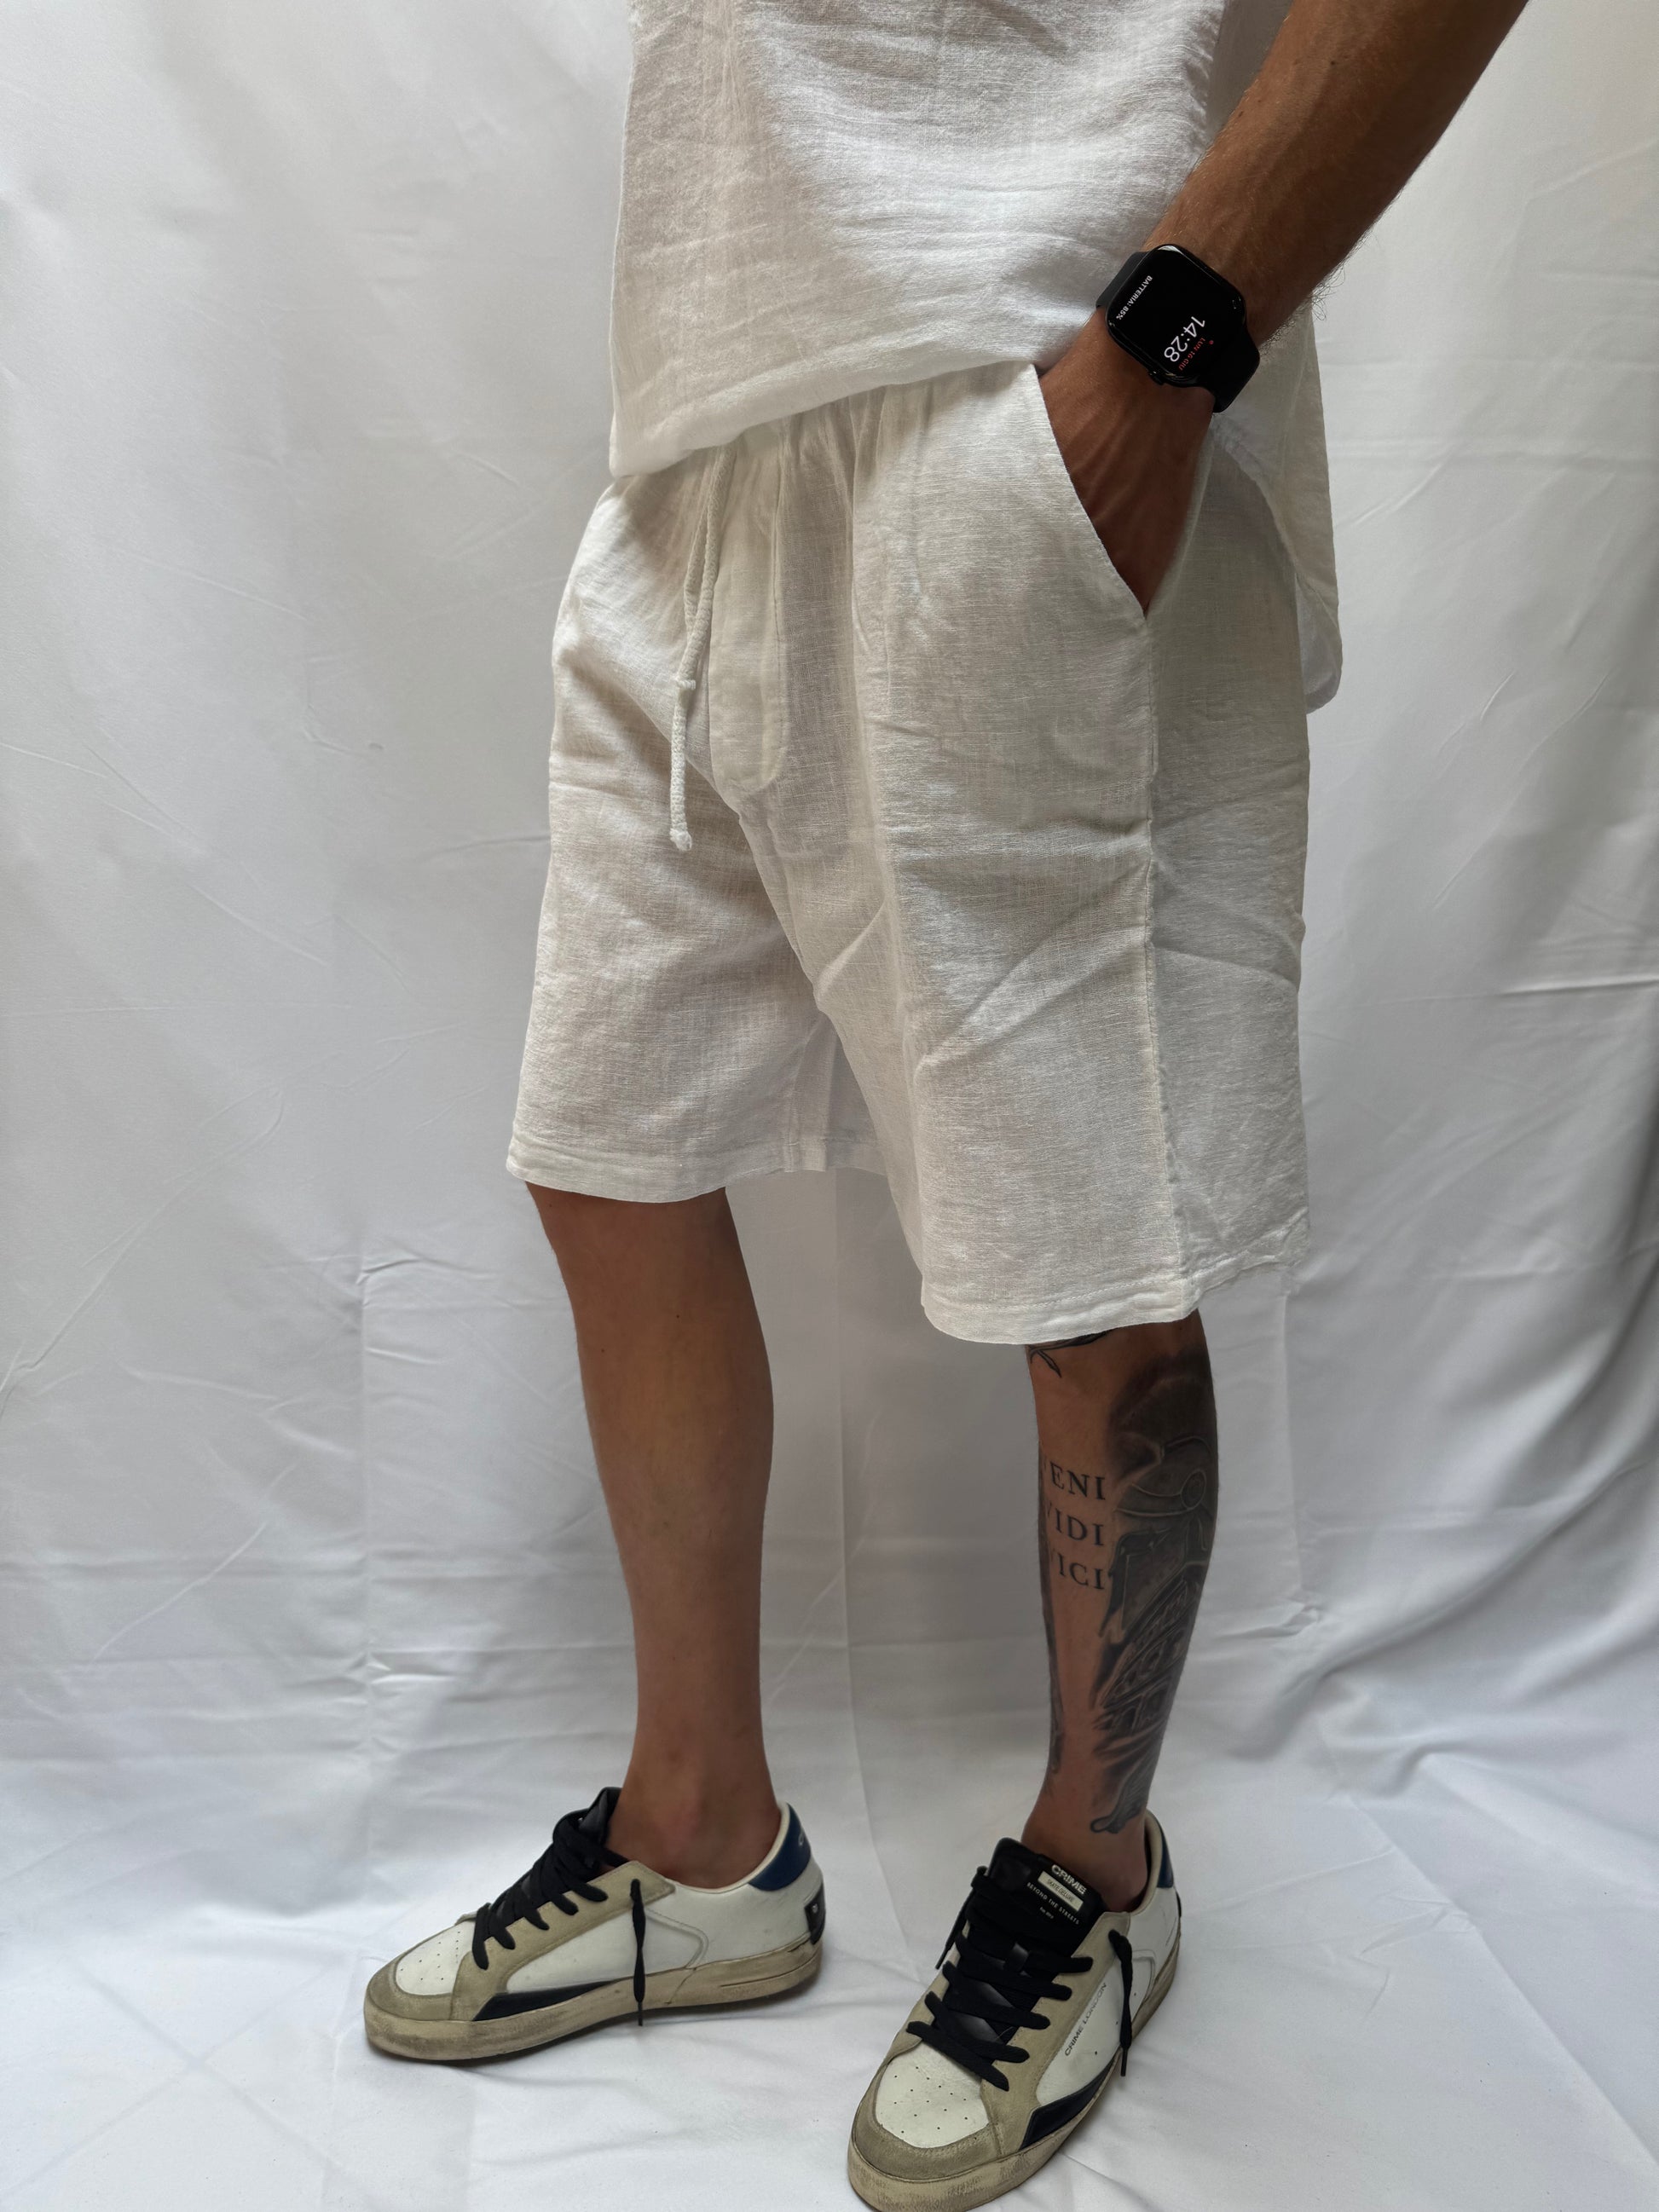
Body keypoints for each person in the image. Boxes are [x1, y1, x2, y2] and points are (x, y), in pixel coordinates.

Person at [364, 0, 1531, 2200]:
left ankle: (1099, 1870)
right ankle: (702, 1840)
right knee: (607, 1156)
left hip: (1013, 386)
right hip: (692, 450)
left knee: (1091, 1250)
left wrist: (1168, 346)